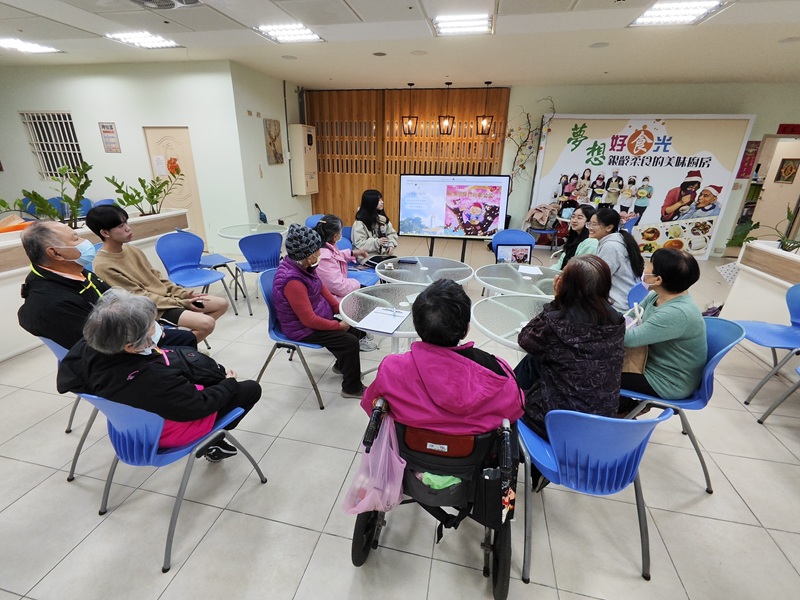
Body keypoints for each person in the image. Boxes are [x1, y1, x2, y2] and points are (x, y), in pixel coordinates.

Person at [56, 289, 260, 461]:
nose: (160, 332)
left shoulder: (89, 345)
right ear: (130, 346)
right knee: (250, 389)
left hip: (128, 427)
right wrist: (229, 384)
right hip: (162, 432)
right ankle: (212, 441)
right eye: (152, 328)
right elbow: (197, 406)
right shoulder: (153, 378)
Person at [361, 279, 523, 435]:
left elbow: (370, 406)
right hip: (475, 461)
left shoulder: (391, 368)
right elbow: (516, 410)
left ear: (417, 328)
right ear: (466, 330)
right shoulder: (499, 373)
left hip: (408, 459)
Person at [17, 220, 195, 350]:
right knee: (187, 352)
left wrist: (151, 327)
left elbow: (117, 299)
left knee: (186, 339)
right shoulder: (51, 304)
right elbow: (98, 347)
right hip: (116, 357)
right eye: (75, 238)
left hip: (128, 334)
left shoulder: (75, 272)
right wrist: (147, 337)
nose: (84, 242)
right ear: (55, 253)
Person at [515, 255, 625, 439]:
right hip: (602, 420)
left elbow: (525, 339)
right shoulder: (616, 320)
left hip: (556, 422)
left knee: (532, 360)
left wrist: (557, 301)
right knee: (536, 360)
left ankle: (508, 398)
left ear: (568, 286)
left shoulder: (555, 324)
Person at [86, 205, 227, 343]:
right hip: (153, 309)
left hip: (169, 299)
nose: (128, 228)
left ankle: (182, 344)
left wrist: (183, 294)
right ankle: (180, 350)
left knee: (221, 304)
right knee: (207, 323)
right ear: (105, 233)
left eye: (126, 223)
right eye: (120, 226)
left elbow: (157, 277)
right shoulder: (103, 265)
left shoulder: (132, 250)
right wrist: (181, 303)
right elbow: (138, 298)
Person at [273, 224, 367, 397]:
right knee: (350, 341)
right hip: (301, 329)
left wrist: (338, 308)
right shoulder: (292, 280)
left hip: (315, 316)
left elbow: (321, 287)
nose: (320, 253)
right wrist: (337, 326)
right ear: (308, 256)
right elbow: (308, 320)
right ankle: (351, 388)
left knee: (356, 330)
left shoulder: (304, 266)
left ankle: (342, 365)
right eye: (317, 250)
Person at [619, 249, 707, 412]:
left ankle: (626, 408)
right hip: (650, 362)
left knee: (597, 372)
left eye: (649, 264)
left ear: (658, 279)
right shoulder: (658, 295)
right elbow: (631, 317)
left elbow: (629, 338)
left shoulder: (676, 313)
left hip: (668, 381)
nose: (645, 268)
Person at [588, 207, 644, 312]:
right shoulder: (618, 240)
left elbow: (598, 278)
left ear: (609, 227)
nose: (590, 227)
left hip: (617, 305)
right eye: (589, 223)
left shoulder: (611, 246)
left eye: (594, 224)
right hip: (624, 299)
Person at [312, 214, 370, 301]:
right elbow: (339, 287)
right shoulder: (324, 258)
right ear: (335, 236)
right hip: (331, 300)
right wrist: (356, 283)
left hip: (336, 291)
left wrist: (354, 253)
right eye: (340, 232)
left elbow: (335, 256)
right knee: (369, 298)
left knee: (368, 294)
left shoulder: (324, 245)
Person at [351, 189, 398, 264]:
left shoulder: (382, 219)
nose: (382, 202)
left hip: (382, 254)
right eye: (379, 200)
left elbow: (391, 234)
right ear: (371, 203)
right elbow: (360, 243)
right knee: (385, 266)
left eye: (381, 199)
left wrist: (391, 245)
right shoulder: (359, 223)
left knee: (396, 262)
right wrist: (377, 242)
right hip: (367, 256)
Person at [552, 204, 597, 271]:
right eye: (573, 217)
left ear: (589, 222)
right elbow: (560, 263)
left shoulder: (590, 243)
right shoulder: (574, 238)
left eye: (579, 218)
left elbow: (579, 270)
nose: (574, 220)